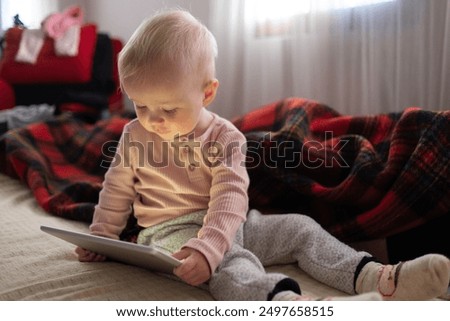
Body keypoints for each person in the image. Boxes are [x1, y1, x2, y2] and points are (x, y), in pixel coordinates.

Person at [76, 9, 450, 301]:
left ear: (206, 94)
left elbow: (230, 197)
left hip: (235, 223)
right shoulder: (133, 136)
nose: (153, 120)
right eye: (141, 106)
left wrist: (215, 239)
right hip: (169, 232)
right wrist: (101, 237)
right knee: (231, 263)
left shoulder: (226, 137)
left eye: (168, 109)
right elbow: (116, 190)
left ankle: (376, 277)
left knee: (300, 228)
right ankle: (279, 299)